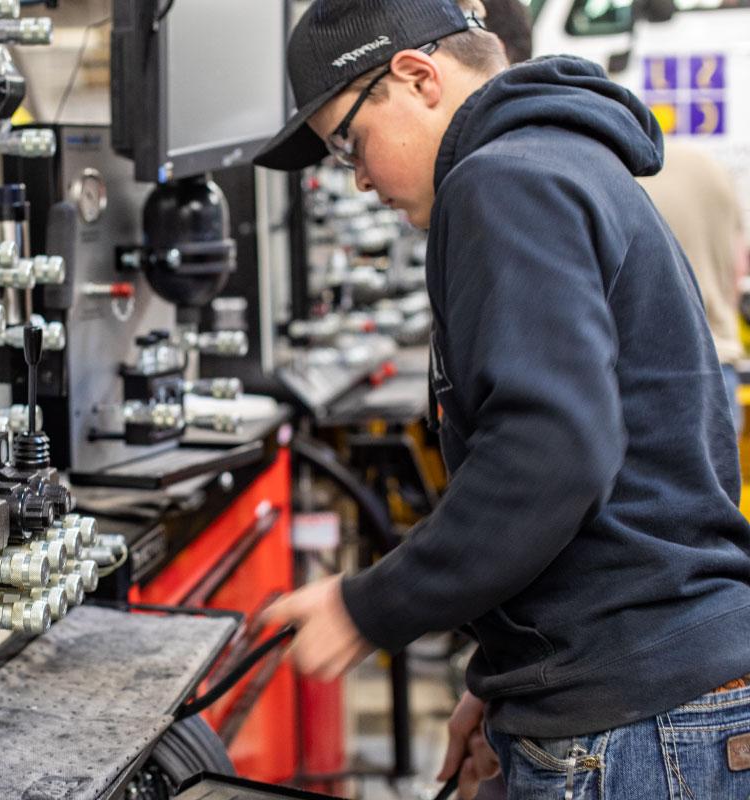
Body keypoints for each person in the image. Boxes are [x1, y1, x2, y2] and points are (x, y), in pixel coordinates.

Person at [254, 1, 750, 798]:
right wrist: (504, 678)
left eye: (350, 142)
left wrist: (368, 607)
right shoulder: (560, 162)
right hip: (648, 692)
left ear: (416, 77)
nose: (358, 177)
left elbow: (550, 453)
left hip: (633, 716)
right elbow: (634, 474)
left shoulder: (501, 179)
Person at [640, 141, 748, 434]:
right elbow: (739, 264)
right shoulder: (713, 170)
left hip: (645, 371)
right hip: (716, 363)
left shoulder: (631, 172)